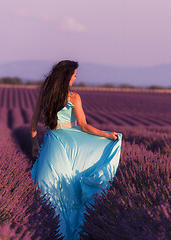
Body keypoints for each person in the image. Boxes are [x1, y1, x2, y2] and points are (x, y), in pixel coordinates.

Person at [29, 60, 122, 240]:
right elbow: (84, 126)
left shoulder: (45, 94)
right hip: (71, 145)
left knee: (47, 189)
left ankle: (47, 232)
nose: (75, 79)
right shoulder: (73, 97)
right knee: (69, 189)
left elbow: (33, 124)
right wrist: (107, 136)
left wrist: (34, 145)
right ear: (67, 76)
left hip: (52, 144)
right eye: (74, 76)